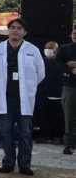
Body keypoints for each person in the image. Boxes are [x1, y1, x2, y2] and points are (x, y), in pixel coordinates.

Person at [0, 18, 45, 175]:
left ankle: (25, 164)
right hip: (5, 97)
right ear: (8, 30)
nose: (15, 30)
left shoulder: (33, 50)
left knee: (25, 133)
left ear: (25, 32)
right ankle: (8, 162)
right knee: (5, 131)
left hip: (24, 98)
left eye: (19, 28)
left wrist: (29, 87)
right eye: (13, 27)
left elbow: (40, 73)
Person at [37, 41, 65, 144]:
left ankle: (58, 136)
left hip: (59, 94)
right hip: (44, 94)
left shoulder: (61, 62)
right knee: (44, 116)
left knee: (59, 117)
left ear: (57, 50)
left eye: (51, 48)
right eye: (47, 48)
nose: (48, 50)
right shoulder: (41, 62)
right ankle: (44, 135)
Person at [58, 24, 76, 155]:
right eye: (74, 33)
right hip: (69, 86)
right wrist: (69, 68)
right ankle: (69, 145)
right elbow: (57, 64)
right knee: (69, 117)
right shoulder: (64, 49)